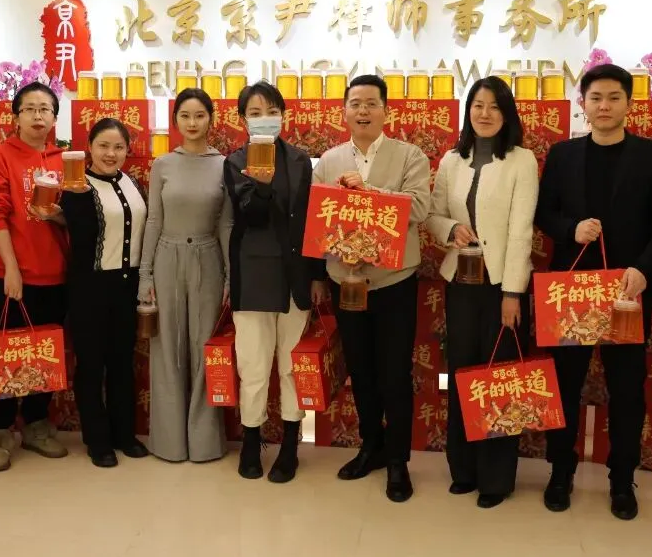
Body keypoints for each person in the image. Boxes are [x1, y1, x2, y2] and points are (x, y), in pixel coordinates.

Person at [536, 63, 652, 520]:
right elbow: (544, 213)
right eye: (596, 97)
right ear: (583, 103)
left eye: (614, 97)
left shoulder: (651, 156)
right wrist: (570, 229)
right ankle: (561, 471)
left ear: (628, 104)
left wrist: (644, 267)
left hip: (628, 291)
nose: (604, 106)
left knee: (627, 389)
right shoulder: (562, 155)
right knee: (566, 383)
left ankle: (622, 478)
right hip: (572, 292)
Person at [313, 73, 431, 503]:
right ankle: (371, 447)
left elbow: (420, 208)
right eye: (355, 104)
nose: (363, 111)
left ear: (386, 111)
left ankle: (398, 460)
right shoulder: (328, 161)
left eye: (371, 104)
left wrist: (370, 193)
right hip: (344, 281)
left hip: (393, 282)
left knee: (395, 373)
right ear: (343, 111)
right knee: (360, 369)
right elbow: (317, 220)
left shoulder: (410, 155)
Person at [424, 76, 538, 509]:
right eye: (477, 105)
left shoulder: (522, 161)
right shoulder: (452, 160)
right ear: (467, 111)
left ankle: (495, 478)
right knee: (462, 374)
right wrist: (450, 227)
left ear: (506, 114)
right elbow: (433, 215)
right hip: (460, 283)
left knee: (498, 379)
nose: (484, 113)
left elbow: (521, 231)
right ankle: (464, 469)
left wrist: (512, 294)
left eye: (493, 106)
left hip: (500, 288)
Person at [223, 81, 325, 484]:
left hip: (295, 276)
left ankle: (289, 446)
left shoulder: (300, 160)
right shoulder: (236, 162)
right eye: (255, 113)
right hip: (253, 277)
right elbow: (248, 214)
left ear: (283, 115)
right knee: (253, 366)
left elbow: (313, 220)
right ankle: (251, 441)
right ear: (242, 120)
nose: (264, 119)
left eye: (271, 111)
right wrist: (262, 184)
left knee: (291, 368)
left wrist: (317, 275)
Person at [0, 81, 70, 472]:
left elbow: (74, 218)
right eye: (29, 108)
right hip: (14, 276)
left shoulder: (65, 160)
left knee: (43, 356)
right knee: (6, 355)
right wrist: (11, 270)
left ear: (54, 117)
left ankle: (36, 425)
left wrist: (60, 216)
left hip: (57, 275)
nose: (37, 116)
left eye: (45, 109)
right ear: (15, 116)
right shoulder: (1, 156)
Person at [49, 118, 151, 467]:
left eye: (118, 147)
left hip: (128, 285)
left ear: (127, 150)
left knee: (122, 362)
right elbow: (78, 232)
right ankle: (97, 440)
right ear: (89, 148)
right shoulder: (76, 185)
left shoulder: (132, 182)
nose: (111, 153)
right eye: (103, 146)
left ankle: (125, 434)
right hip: (90, 287)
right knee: (91, 365)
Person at [139, 88, 232, 463]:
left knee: (205, 348)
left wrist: (230, 275)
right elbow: (154, 221)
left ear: (211, 119)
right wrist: (145, 275)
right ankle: (170, 443)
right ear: (175, 120)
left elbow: (226, 224)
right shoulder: (163, 164)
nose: (192, 123)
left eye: (199, 115)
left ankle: (205, 442)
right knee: (167, 349)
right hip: (166, 257)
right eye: (185, 116)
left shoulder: (224, 164)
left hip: (208, 258)